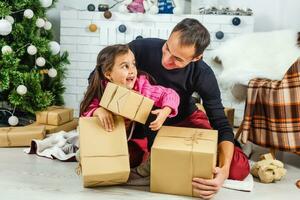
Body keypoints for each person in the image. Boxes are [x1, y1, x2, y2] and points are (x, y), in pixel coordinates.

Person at [127, 18, 250, 199]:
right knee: (120, 159)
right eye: (167, 48)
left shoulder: (202, 73)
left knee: (238, 168)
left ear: (196, 58)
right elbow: (99, 74)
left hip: (183, 121)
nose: (166, 59)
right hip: (141, 122)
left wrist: (222, 172)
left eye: (177, 59)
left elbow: (221, 124)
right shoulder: (139, 49)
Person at [79, 44, 180, 167]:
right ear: (108, 74)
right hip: (106, 138)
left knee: (132, 158)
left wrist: (166, 110)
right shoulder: (102, 89)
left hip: (130, 139)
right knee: (84, 155)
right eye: (125, 66)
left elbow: (170, 94)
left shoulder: (142, 87)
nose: (132, 70)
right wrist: (98, 111)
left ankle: (146, 159)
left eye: (133, 64)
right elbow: (85, 111)